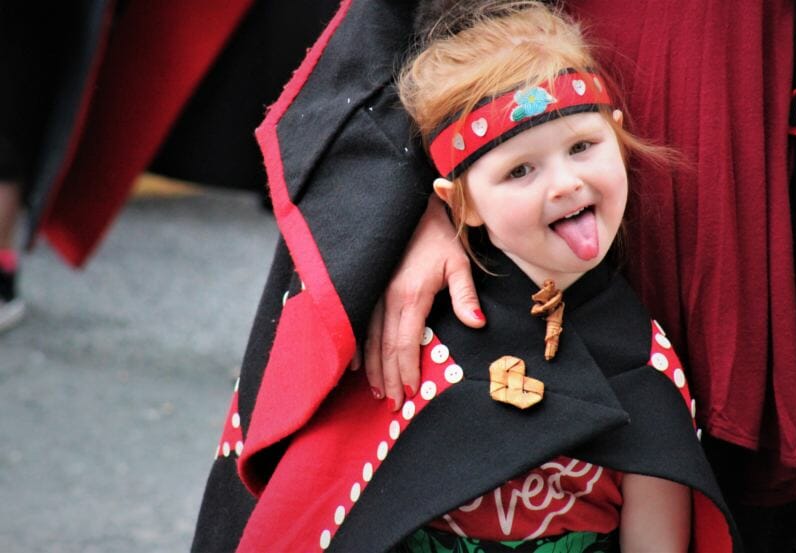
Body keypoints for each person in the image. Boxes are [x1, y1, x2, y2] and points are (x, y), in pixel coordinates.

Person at [197, 3, 740, 551]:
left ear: (618, 139)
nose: (565, 183)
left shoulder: (646, 361)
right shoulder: (408, 344)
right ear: (459, 204)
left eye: (581, 147)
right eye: (519, 170)